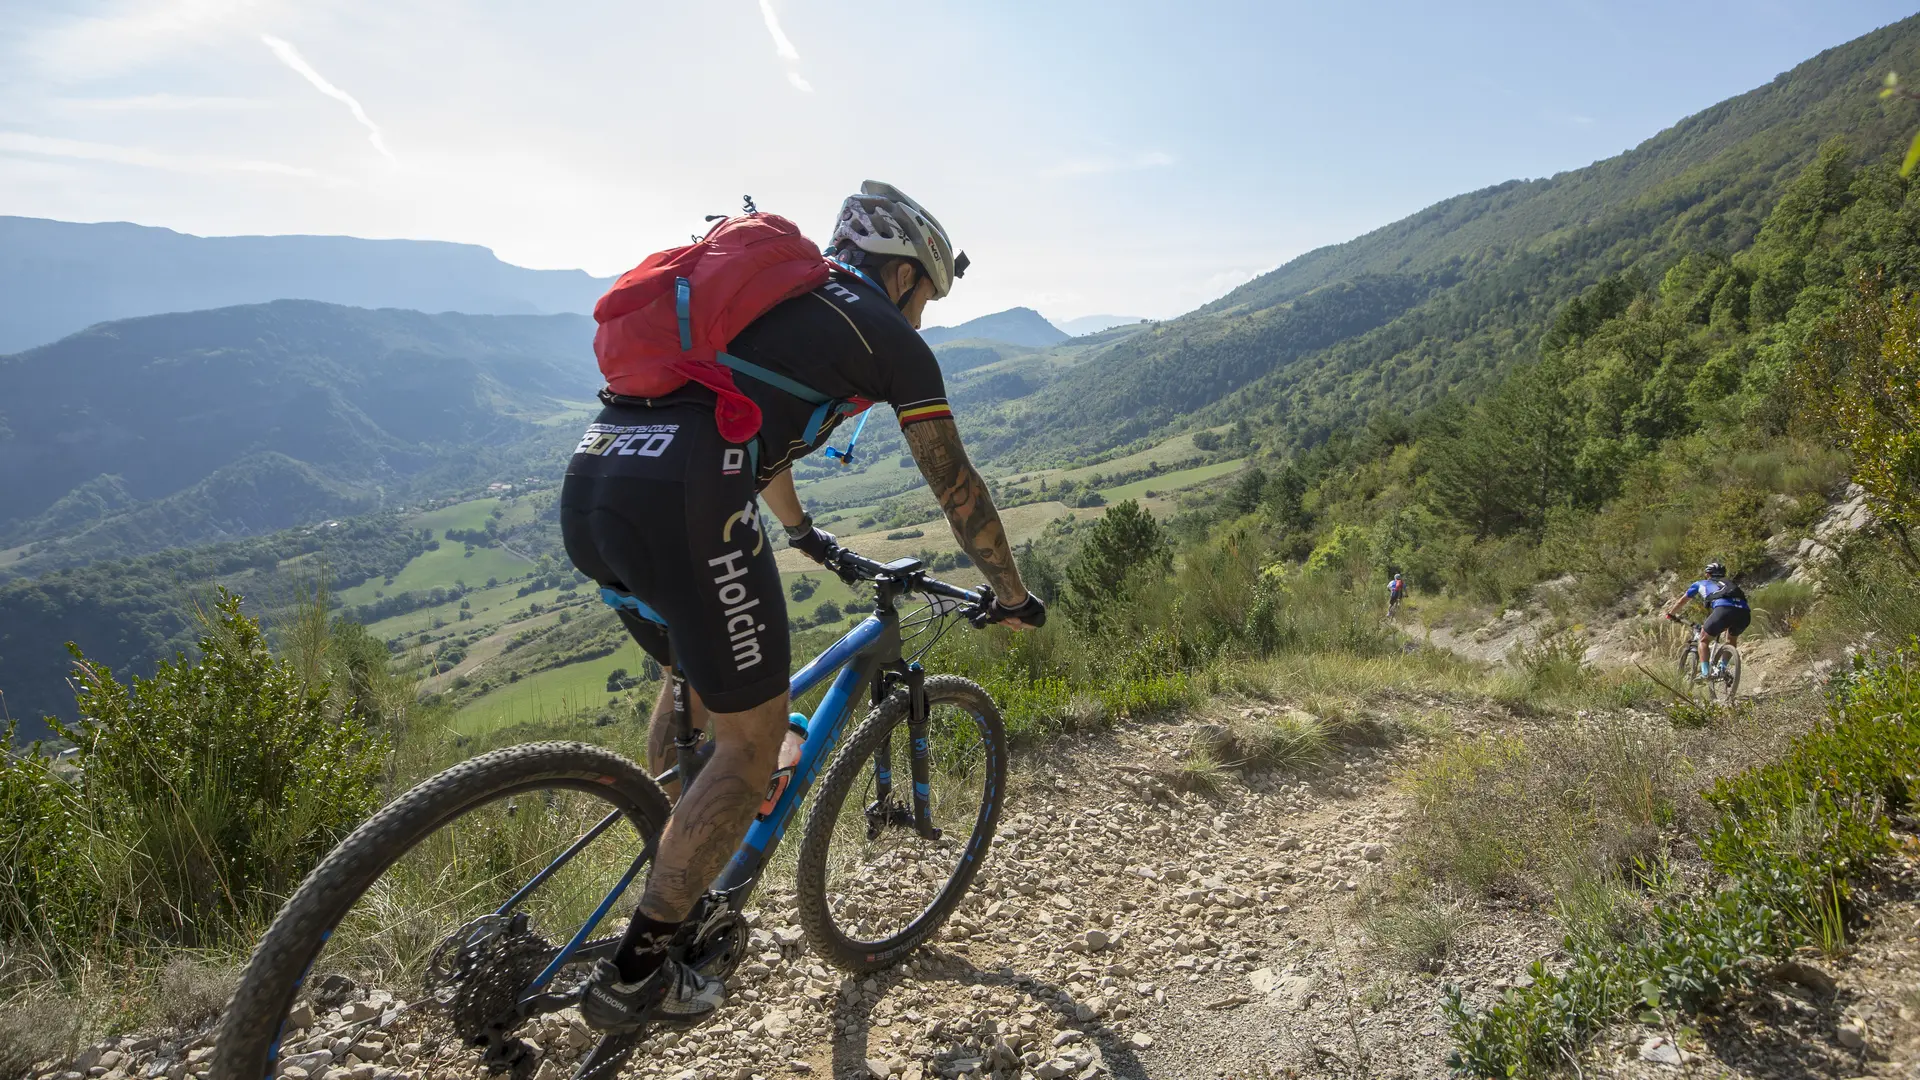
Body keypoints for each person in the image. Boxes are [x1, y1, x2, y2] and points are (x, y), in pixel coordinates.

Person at [559, 182, 1045, 1031]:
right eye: (929, 296)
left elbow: (750, 425)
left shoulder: (778, 309)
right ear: (905, 276)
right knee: (752, 748)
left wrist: (805, 533)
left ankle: (675, 861)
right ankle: (637, 972)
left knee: (692, 679)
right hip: (687, 498)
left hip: (599, 476)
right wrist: (1010, 594)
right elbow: (956, 486)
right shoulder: (889, 338)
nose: (924, 316)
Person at [1661, 561, 1750, 677]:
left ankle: (1705, 673)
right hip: (1744, 613)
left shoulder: (1700, 583)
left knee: (1703, 640)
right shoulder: (1730, 584)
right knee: (1731, 640)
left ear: (1708, 574)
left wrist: (1671, 614)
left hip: (1723, 611)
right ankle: (1723, 668)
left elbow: (1682, 601)